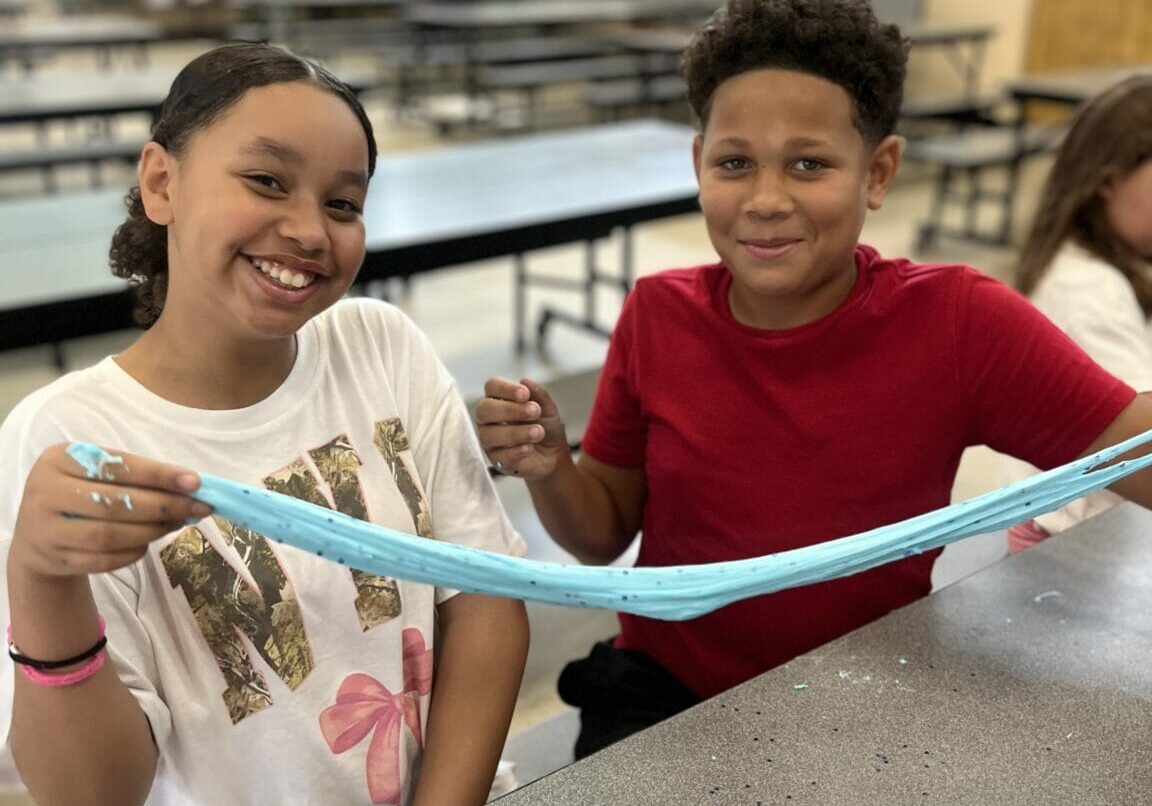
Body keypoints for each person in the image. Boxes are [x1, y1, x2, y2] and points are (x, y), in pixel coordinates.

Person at [475, 0, 1152, 760]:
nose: (767, 200)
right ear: (699, 163)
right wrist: (549, 469)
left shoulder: (961, 322)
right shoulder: (657, 315)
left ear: (879, 172)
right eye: (735, 163)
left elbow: (1140, 451)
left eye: (810, 163)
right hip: (660, 692)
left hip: (859, 697)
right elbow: (600, 536)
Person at [0, 43, 528, 806]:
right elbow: (91, 791)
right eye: (266, 181)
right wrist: (41, 584)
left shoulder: (381, 347)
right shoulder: (69, 439)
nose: (311, 230)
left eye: (343, 203)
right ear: (161, 181)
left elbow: (483, 602)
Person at [1000, 74, 1152, 552]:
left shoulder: (1112, 262)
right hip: (1067, 551)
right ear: (1109, 182)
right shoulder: (1088, 291)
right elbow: (1139, 451)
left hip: (1094, 539)